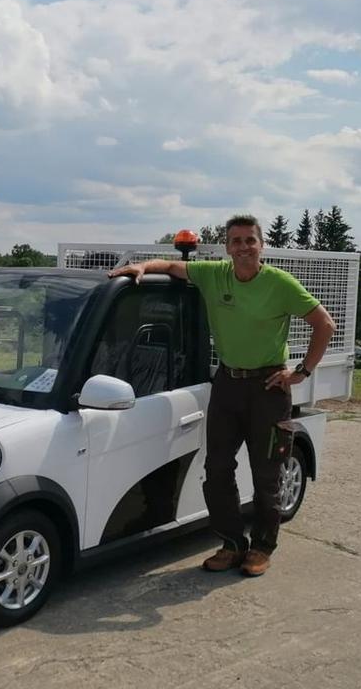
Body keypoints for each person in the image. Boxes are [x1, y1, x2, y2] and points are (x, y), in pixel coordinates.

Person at [108, 215, 336, 576]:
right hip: (228, 384)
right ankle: (231, 543)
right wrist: (140, 266)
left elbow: (324, 323)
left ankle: (262, 547)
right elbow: (170, 265)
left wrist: (302, 372)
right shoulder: (215, 274)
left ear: (261, 245)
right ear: (227, 246)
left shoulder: (280, 284)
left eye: (250, 240)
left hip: (268, 388)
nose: (243, 247)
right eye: (236, 241)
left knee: (266, 474)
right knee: (216, 469)